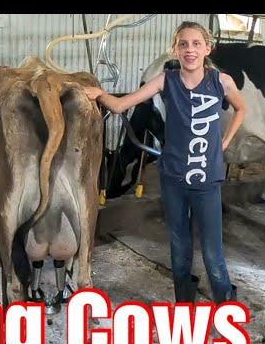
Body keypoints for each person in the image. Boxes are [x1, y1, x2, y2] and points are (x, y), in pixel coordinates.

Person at [85, 21, 247, 304]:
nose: (190, 50)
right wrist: (99, 95)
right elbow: (123, 105)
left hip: (207, 182)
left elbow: (241, 107)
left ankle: (225, 308)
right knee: (180, 248)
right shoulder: (166, 80)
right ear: (175, 49)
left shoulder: (221, 81)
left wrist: (225, 141)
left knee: (212, 253)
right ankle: (185, 302)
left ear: (207, 48)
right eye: (183, 44)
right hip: (173, 180)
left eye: (196, 44)